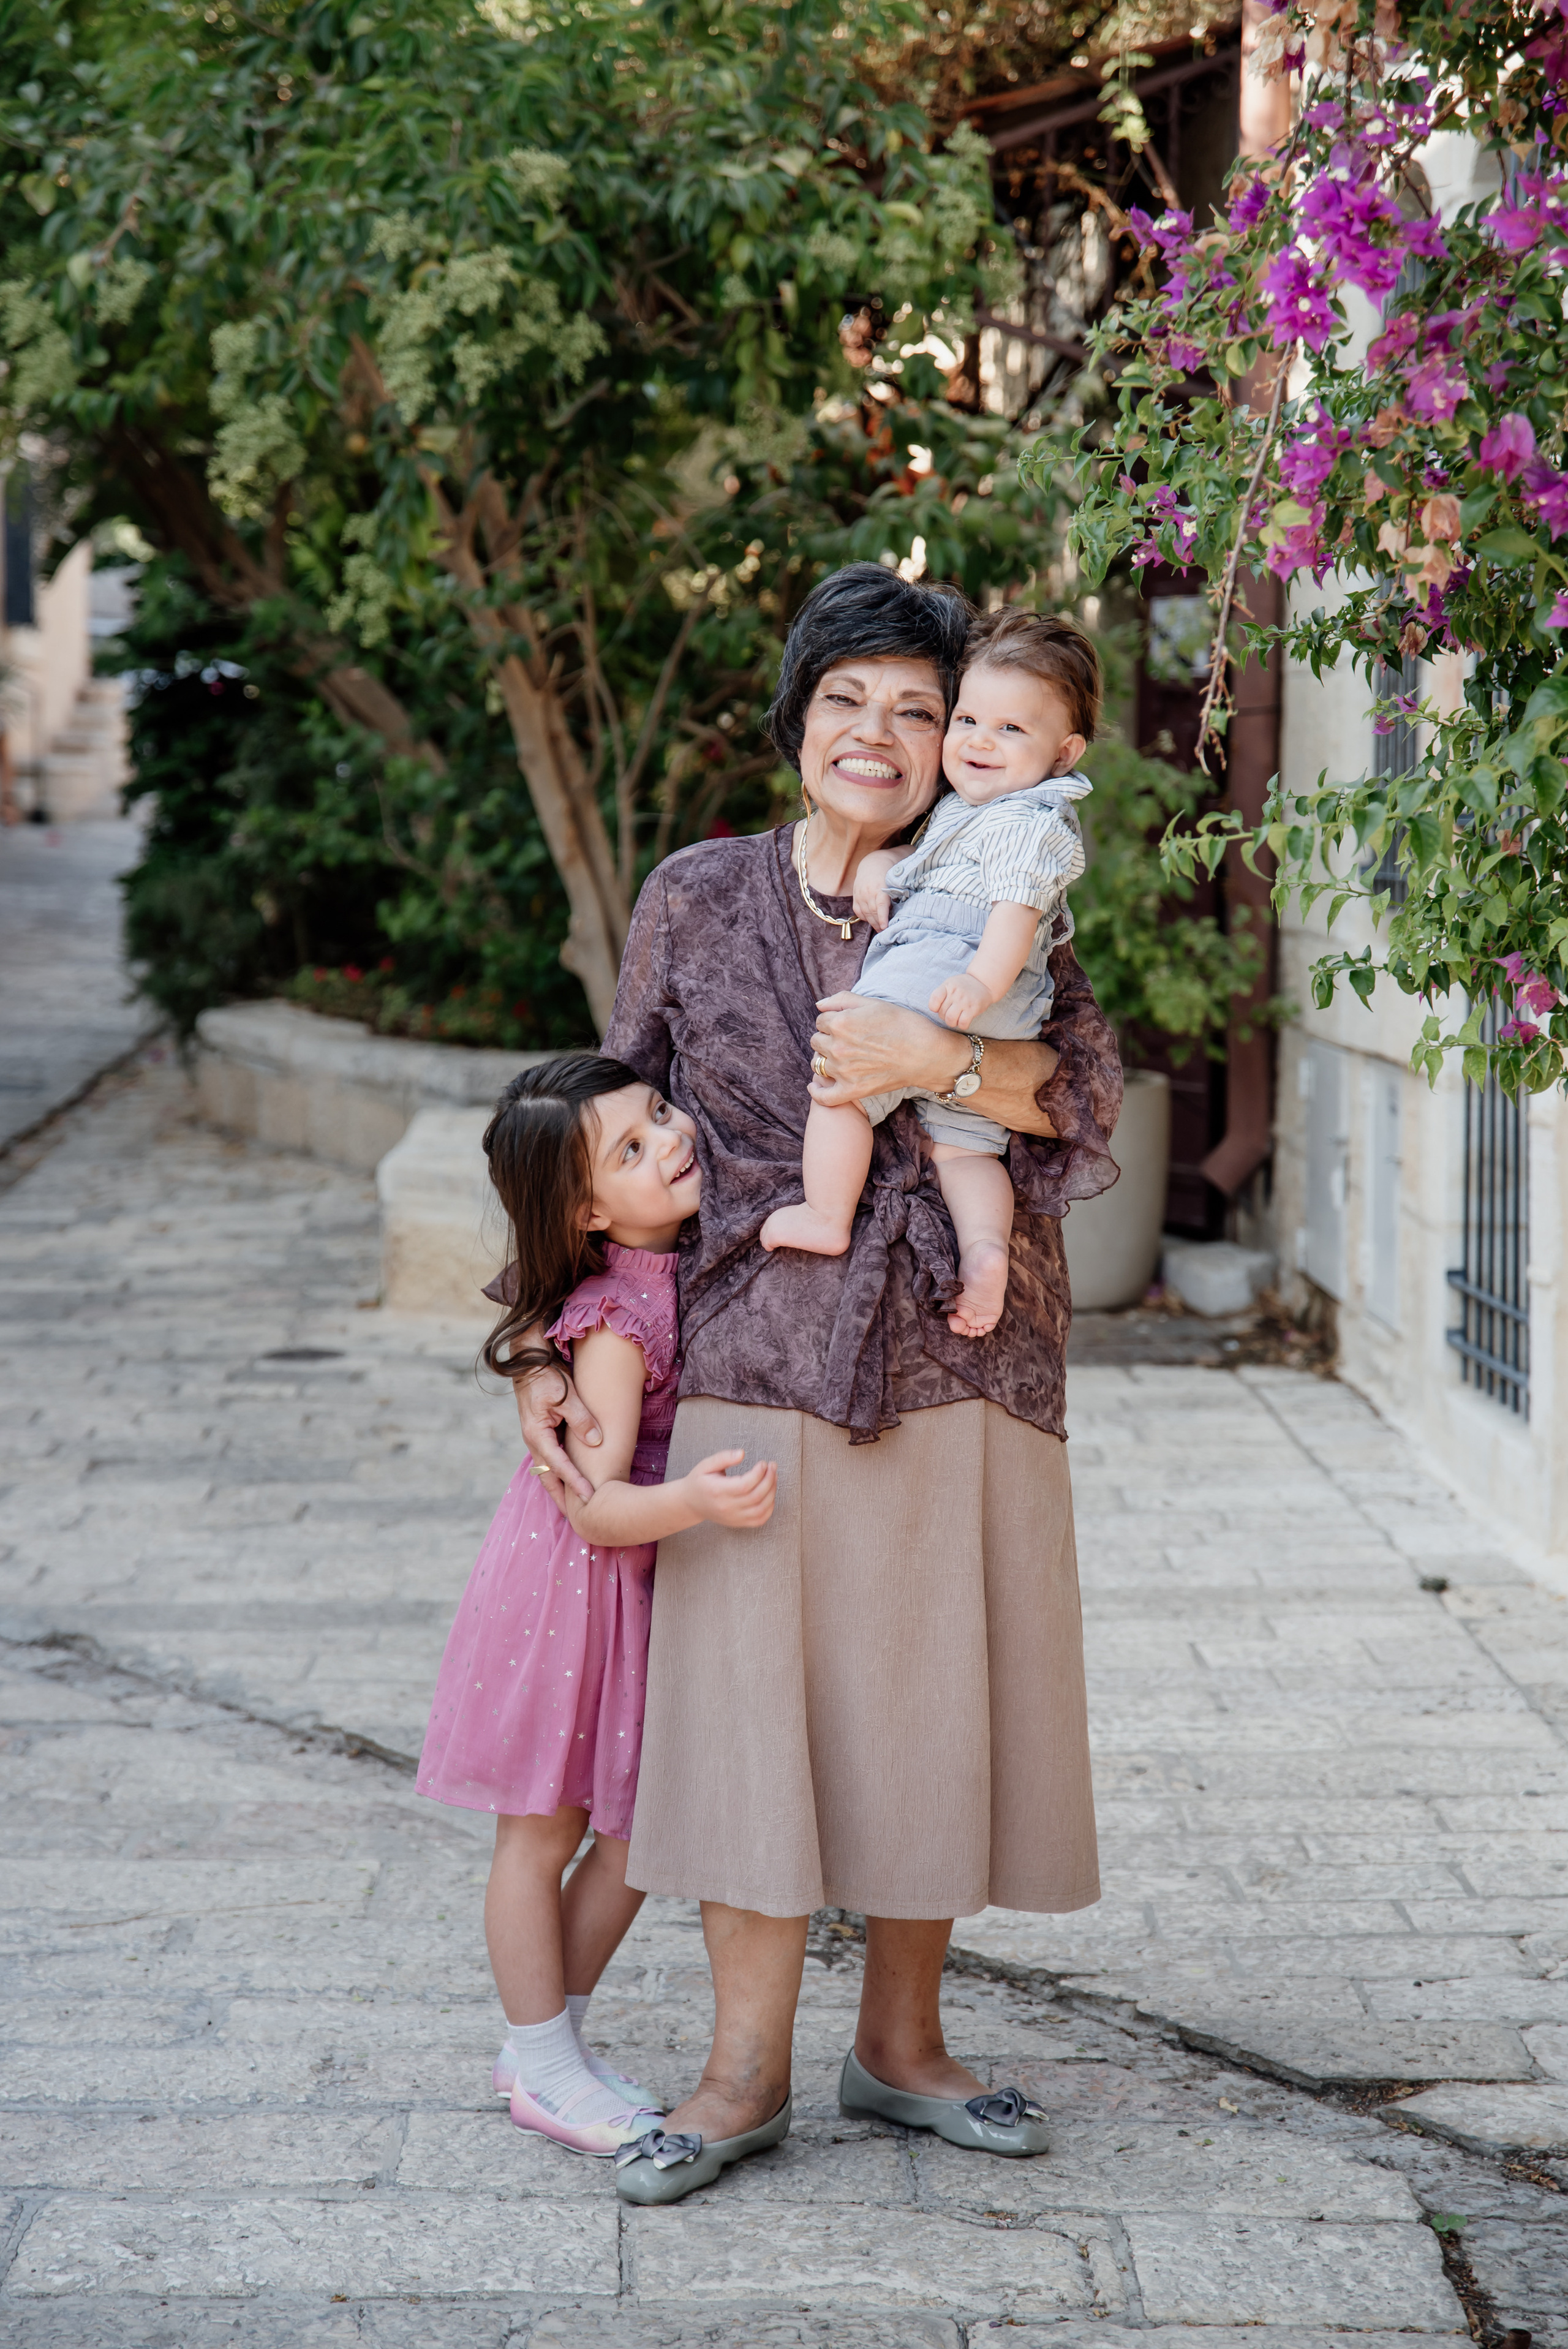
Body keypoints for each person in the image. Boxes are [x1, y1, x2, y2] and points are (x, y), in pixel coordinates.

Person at [516, 564, 1121, 2208]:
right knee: (744, 1719)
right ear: (798, 719)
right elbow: (604, 1122)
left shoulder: (1004, 877)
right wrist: (548, 1334)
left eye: (919, 708)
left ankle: (904, 2048)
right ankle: (741, 2068)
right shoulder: (697, 897)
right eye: (847, 697)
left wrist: (950, 1064)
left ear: (962, 744)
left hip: (962, 1335)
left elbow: (1084, 1101)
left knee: (928, 1701)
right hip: (750, 1337)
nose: (882, 731)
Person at [417, 1053, 777, 2158]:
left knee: (628, 1832)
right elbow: (597, 1508)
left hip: (617, 1597)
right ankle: (542, 2061)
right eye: (631, 1149)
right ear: (583, 1211)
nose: (670, 1140)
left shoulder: (665, 1267)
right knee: (544, 1832)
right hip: (572, 1596)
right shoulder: (619, 1318)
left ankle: (547, 2044)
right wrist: (697, 1501)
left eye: (660, 1114)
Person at [760, 608, 1099, 1341]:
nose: (980, 740)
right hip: (998, 1000)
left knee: (844, 1078)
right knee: (966, 1146)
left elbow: (1012, 909)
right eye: (969, 719)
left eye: (1012, 729)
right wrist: (888, 864)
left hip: (951, 971)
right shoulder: (975, 811)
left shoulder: (1025, 819)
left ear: (1065, 752)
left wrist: (976, 986)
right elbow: (936, 871)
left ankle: (825, 1214)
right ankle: (983, 1254)